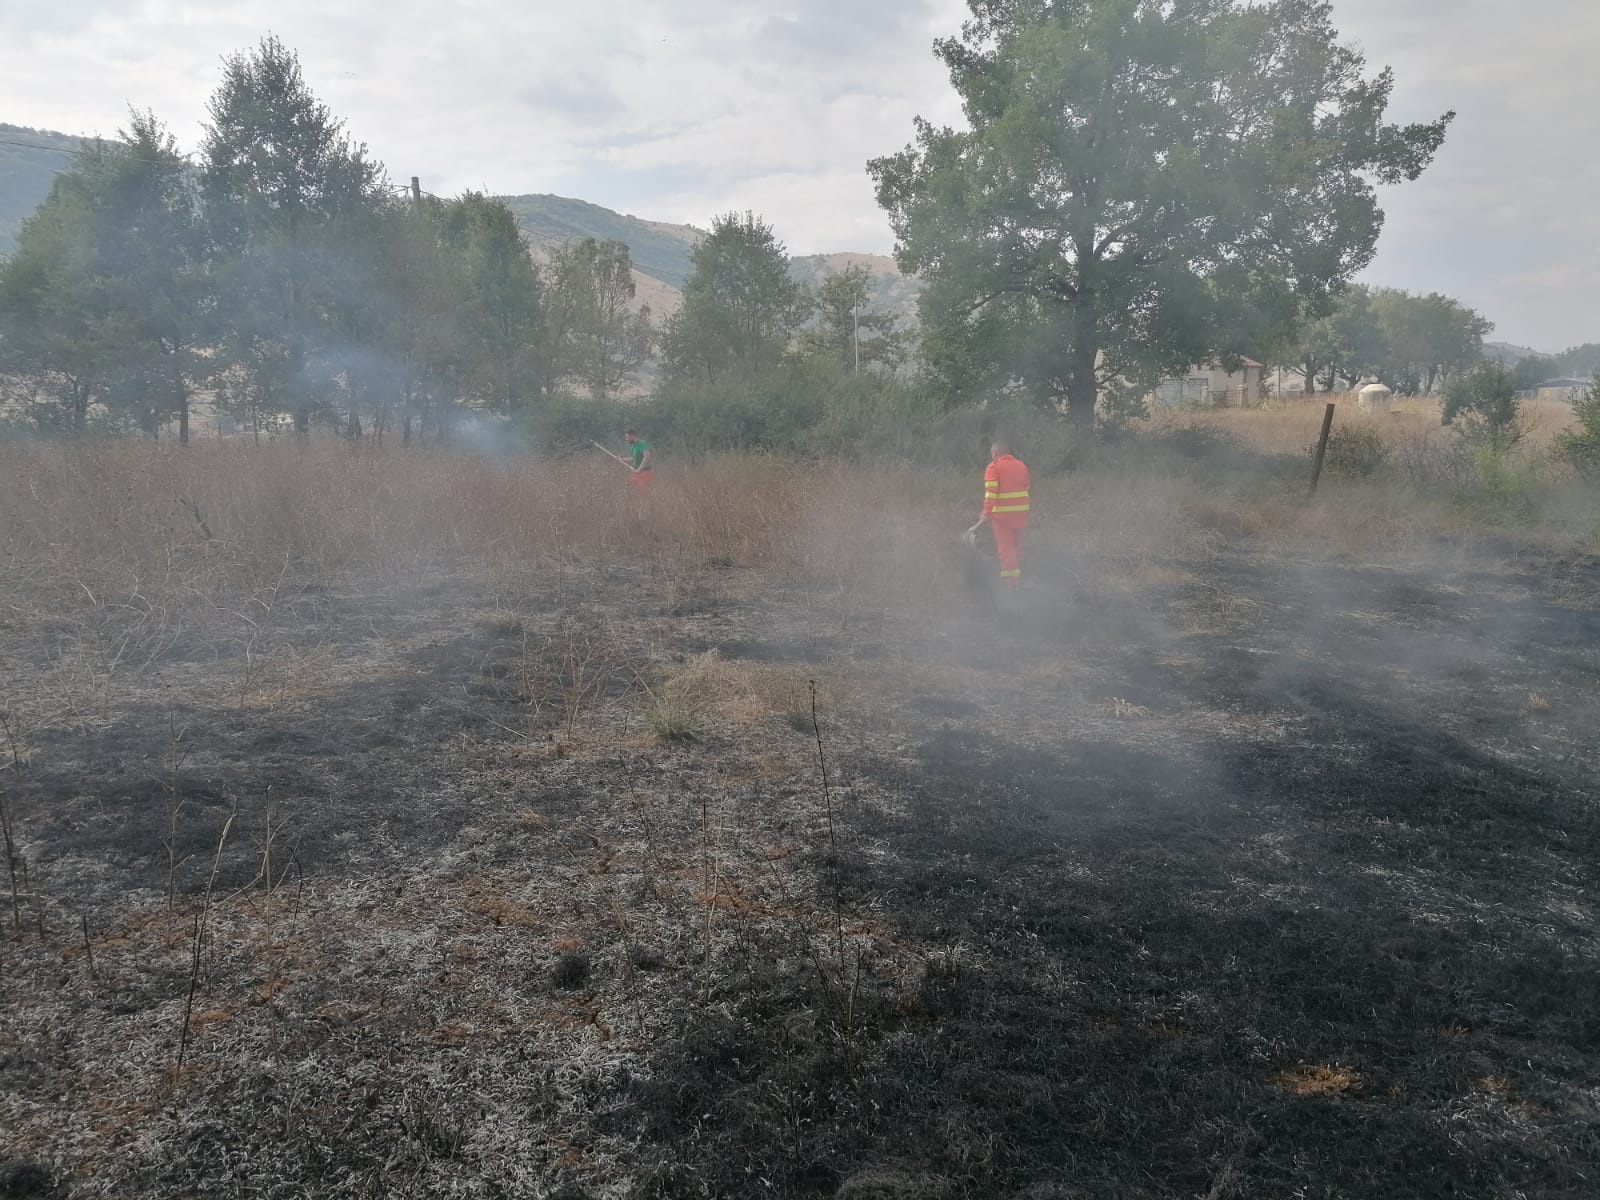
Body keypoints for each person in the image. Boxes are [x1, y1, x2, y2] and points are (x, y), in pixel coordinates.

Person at [966, 439, 1030, 587]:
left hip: (1003, 517)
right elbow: (1026, 487)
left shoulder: (994, 468)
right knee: (1015, 547)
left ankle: (1011, 583)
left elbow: (991, 493)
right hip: (1021, 515)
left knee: (1006, 549)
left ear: (995, 453)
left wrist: (986, 512)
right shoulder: (1021, 465)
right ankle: (1017, 576)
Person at [623, 426, 653, 498]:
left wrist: (639, 469)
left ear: (632, 436)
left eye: (627, 437)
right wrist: (622, 459)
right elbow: (633, 458)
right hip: (636, 472)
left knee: (644, 494)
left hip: (645, 472)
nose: (626, 439)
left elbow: (647, 456)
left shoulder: (641, 443)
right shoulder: (633, 446)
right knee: (631, 492)